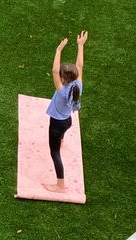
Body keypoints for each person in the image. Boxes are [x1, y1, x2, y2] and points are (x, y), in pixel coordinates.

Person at [43, 30, 88, 192]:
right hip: (67, 121)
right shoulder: (78, 85)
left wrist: (58, 50)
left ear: (63, 79)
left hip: (57, 124)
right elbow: (80, 65)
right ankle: (61, 140)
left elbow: (55, 71)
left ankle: (60, 184)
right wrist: (80, 46)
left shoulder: (62, 90)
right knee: (60, 137)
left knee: (54, 152)